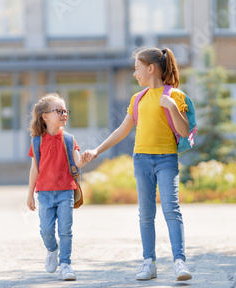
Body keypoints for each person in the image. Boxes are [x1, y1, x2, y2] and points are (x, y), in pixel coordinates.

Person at [84, 47, 193, 281]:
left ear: (151, 68)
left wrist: (172, 107)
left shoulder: (174, 95)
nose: (135, 74)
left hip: (166, 159)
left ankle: (179, 262)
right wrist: (96, 150)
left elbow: (184, 131)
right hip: (141, 159)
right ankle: (149, 262)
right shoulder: (138, 99)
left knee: (171, 209)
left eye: (137, 68)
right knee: (146, 213)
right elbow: (122, 130)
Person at [27, 93, 89, 281]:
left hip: (66, 191)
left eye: (65, 111)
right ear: (45, 116)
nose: (64, 114)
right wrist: (30, 194)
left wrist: (84, 159)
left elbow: (77, 162)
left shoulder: (69, 139)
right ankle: (52, 249)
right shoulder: (37, 141)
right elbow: (34, 169)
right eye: (59, 111)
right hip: (44, 193)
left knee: (66, 230)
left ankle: (65, 264)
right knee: (46, 230)